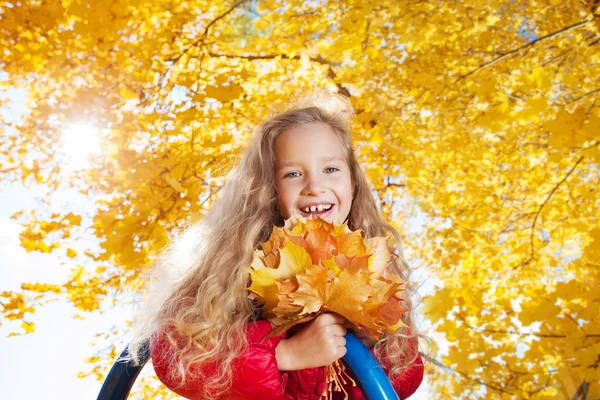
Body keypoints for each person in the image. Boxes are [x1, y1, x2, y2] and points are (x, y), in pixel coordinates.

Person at [127, 92, 425, 399]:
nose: (314, 186)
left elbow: (407, 370)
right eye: (293, 174)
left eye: (331, 169)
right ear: (268, 189)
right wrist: (285, 354)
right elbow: (173, 352)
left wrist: (374, 346)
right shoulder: (234, 267)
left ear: (353, 183)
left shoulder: (371, 267)